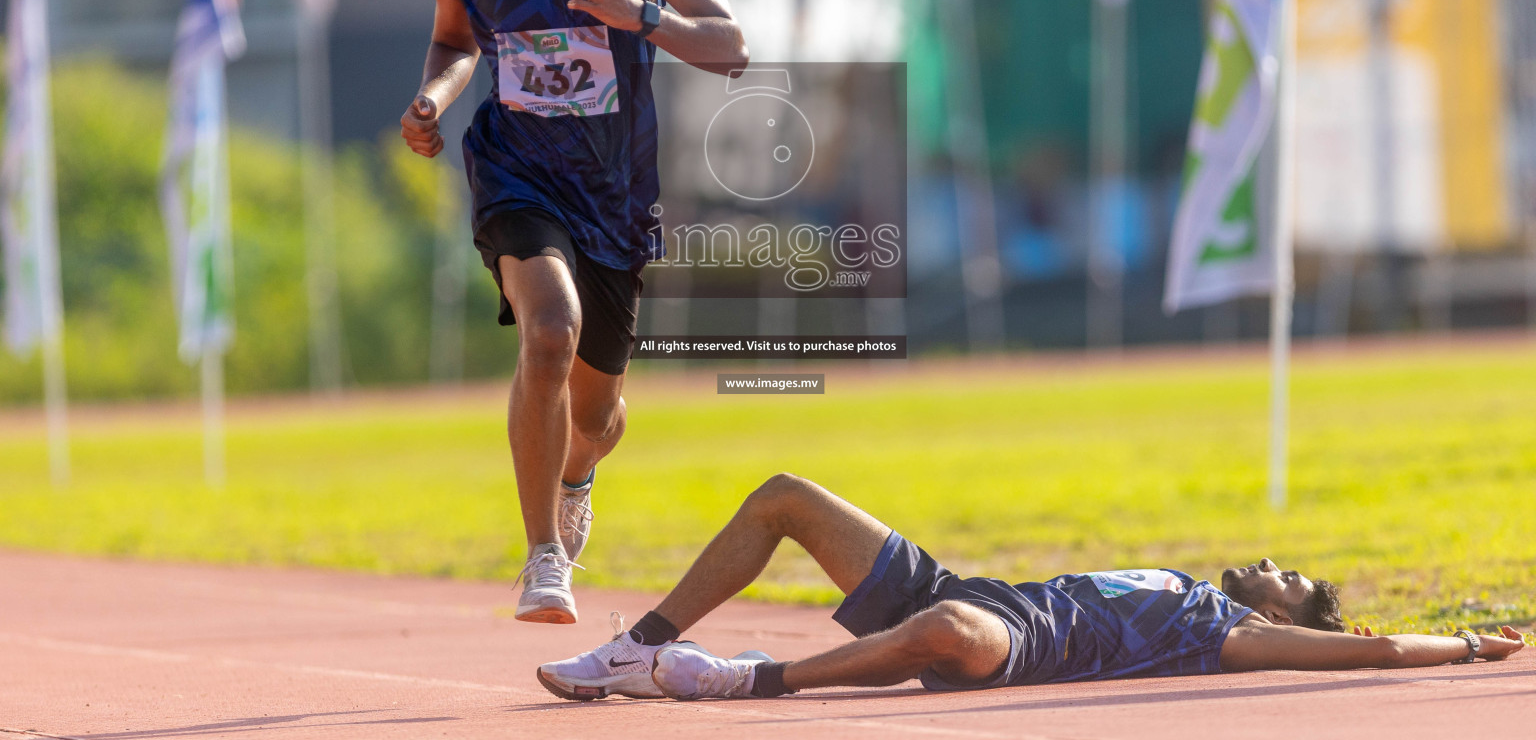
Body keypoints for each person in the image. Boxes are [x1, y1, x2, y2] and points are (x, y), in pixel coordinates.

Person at [400, 0, 748, 625]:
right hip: (516, 173)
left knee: (596, 416)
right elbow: (454, 44)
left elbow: (731, 45)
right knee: (548, 335)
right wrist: (431, 99)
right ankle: (542, 559)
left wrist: (640, 15)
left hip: (615, 194)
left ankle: (578, 472)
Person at [536, 474, 1529, 700]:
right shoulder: (1184, 581)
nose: (1273, 561)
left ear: (1292, 614)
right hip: (971, 586)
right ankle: (640, 643)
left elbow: (1379, 649)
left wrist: (1472, 644)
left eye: (1292, 575)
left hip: (1009, 645)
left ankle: (753, 678)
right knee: (786, 496)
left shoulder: (1234, 635)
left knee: (951, 629)